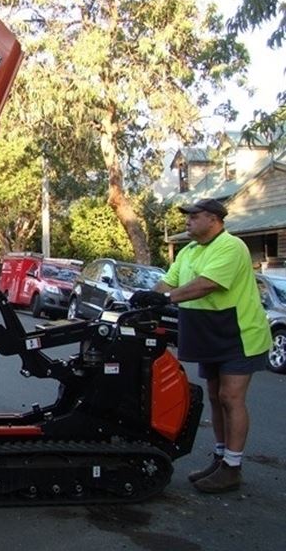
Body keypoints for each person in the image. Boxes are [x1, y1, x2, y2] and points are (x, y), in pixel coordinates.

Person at [130, 198, 271, 493]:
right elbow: (169, 283)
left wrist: (166, 300)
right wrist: (146, 297)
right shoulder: (189, 250)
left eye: (194, 217)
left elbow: (208, 283)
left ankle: (233, 468)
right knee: (216, 397)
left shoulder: (231, 246)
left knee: (231, 397)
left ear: (214, 220)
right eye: (188, 217)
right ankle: (220, 458)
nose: (187, 221)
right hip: (210, 332)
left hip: (239, 332)